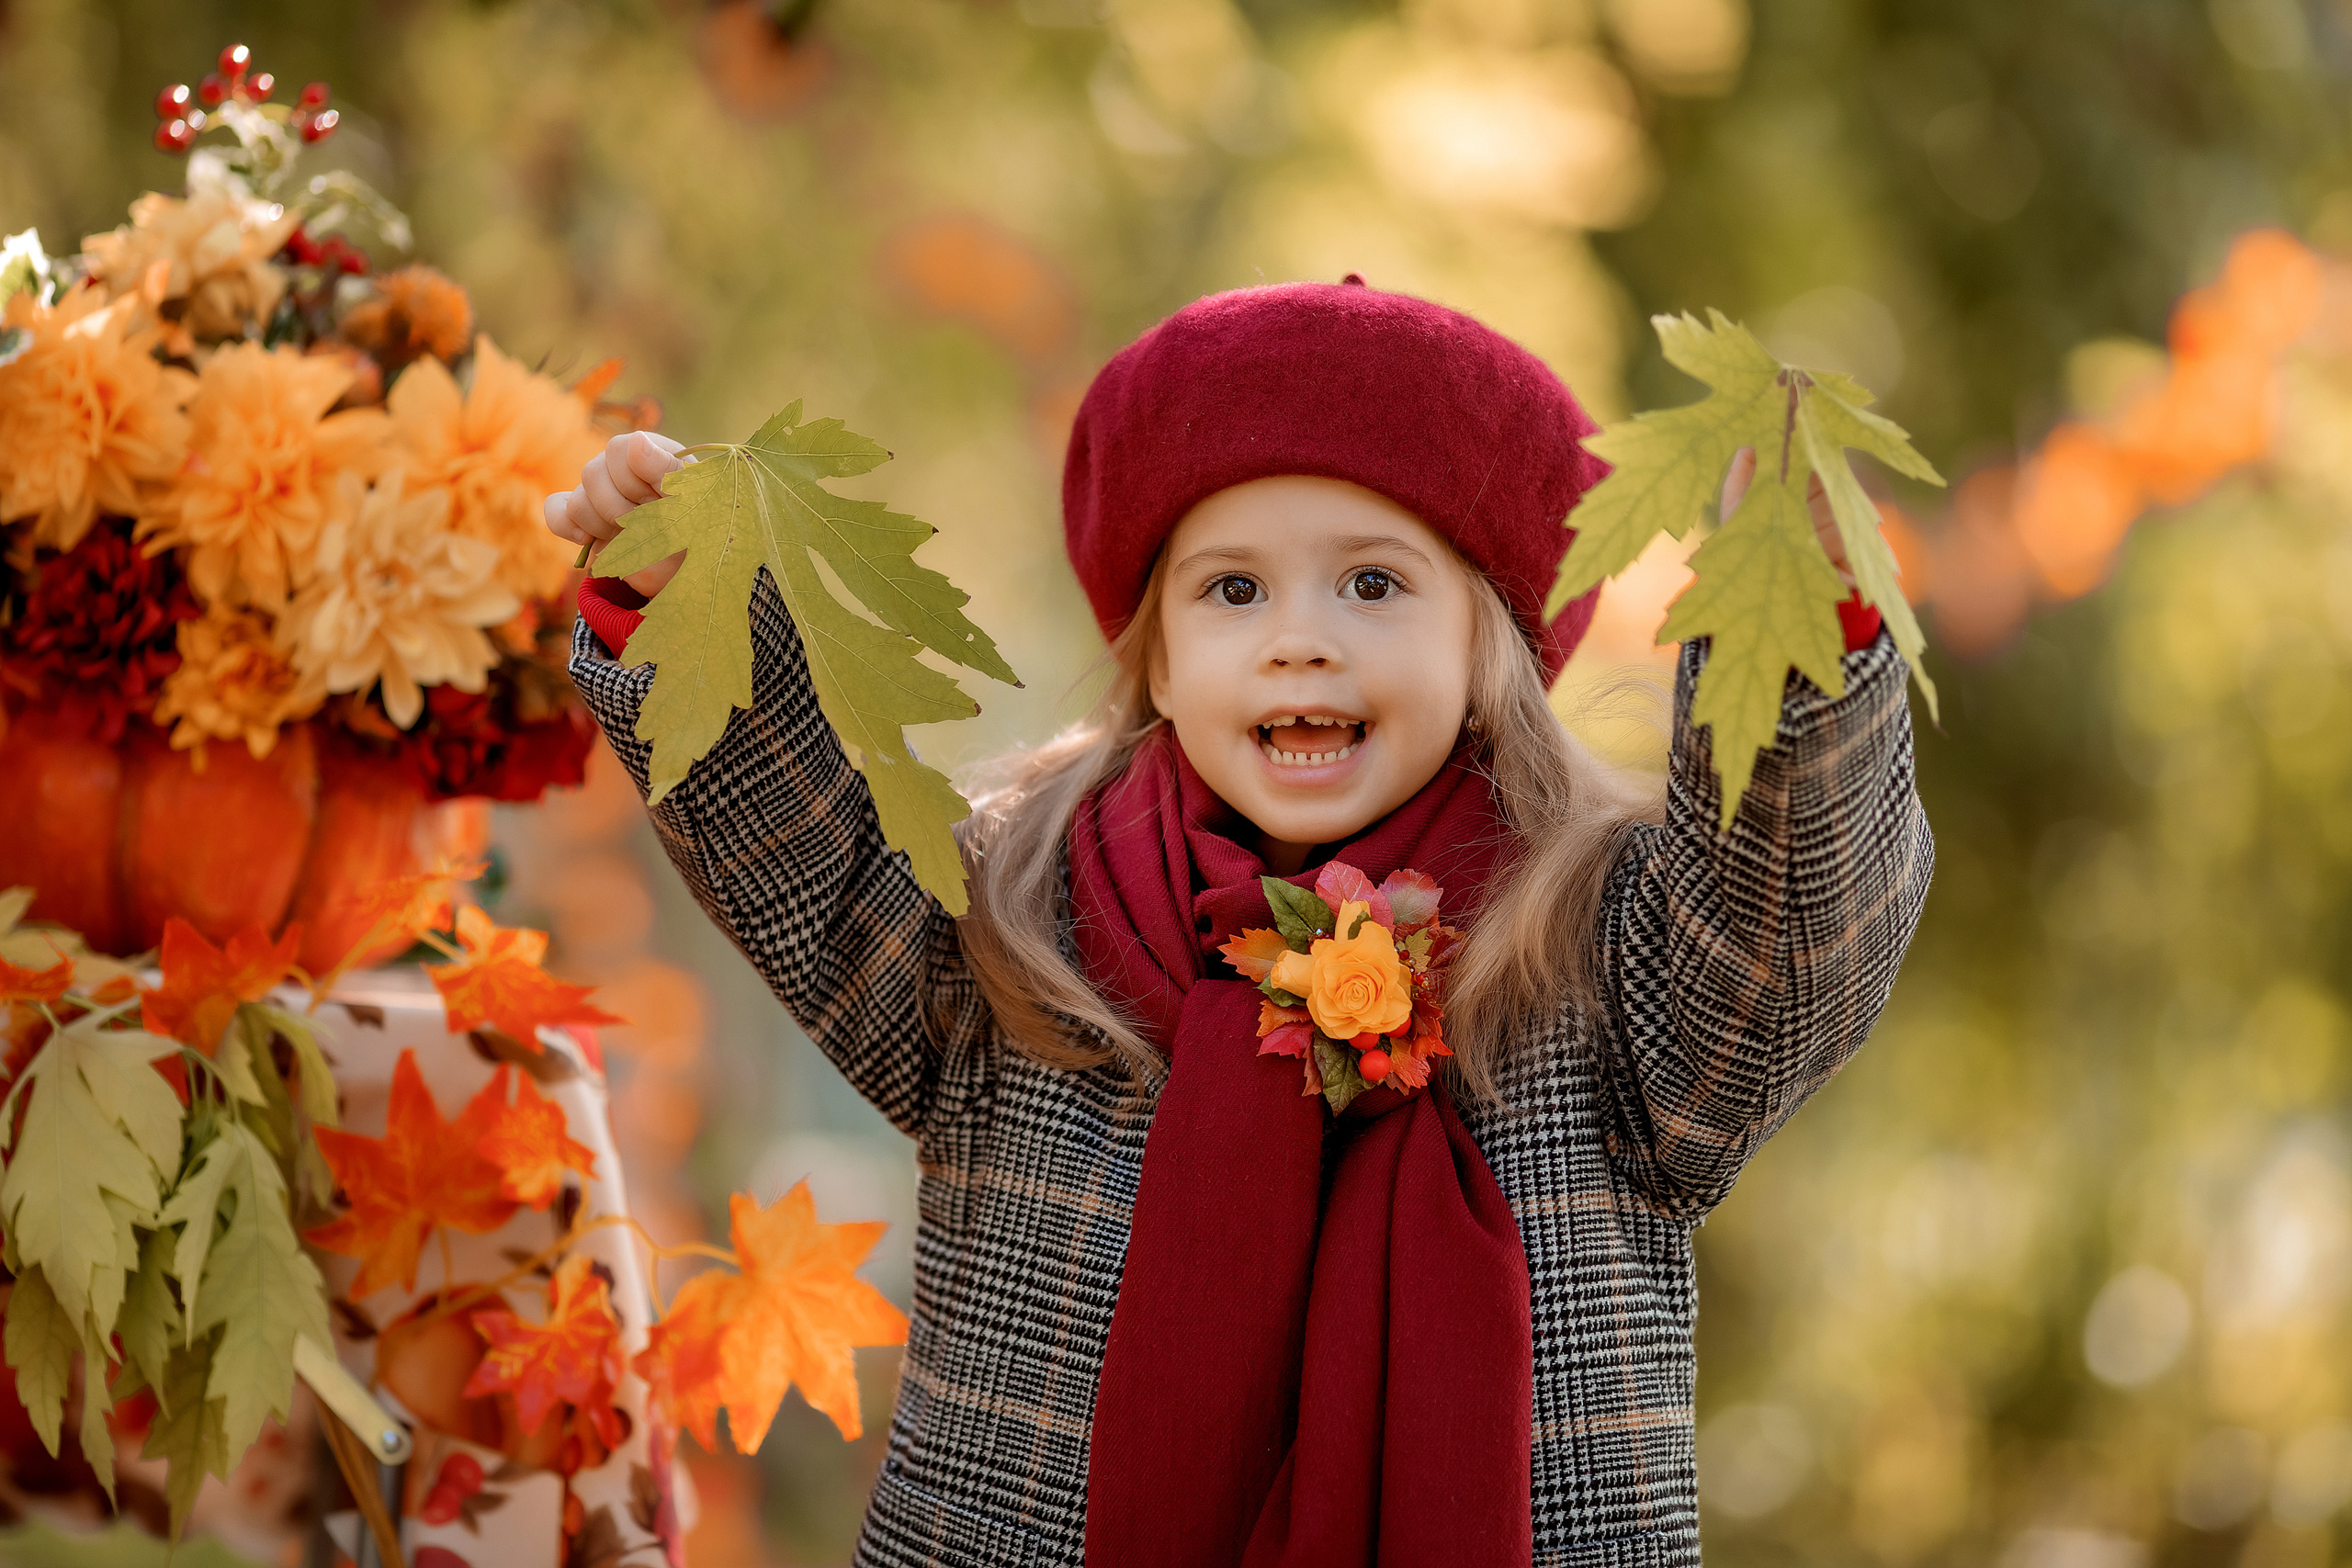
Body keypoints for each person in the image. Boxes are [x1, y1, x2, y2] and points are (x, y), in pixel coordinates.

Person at [545, 277, 1933, 1567]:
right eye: (1233, 588)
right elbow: (801, 850)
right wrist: (678, 607)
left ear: (1487, 641)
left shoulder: (1602, 951)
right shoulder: (1024, 922)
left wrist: (1797, 622)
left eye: (1374, 582)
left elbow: (1784, 927)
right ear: (1156, 651)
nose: (1299, 637)